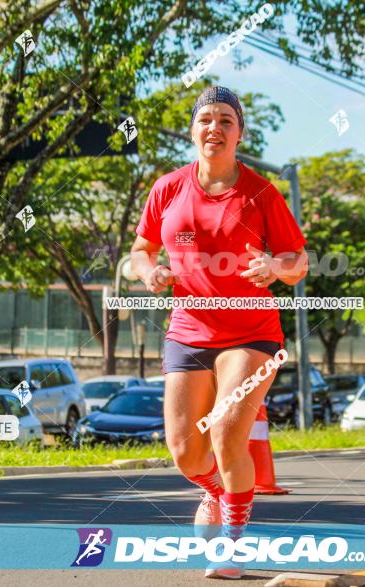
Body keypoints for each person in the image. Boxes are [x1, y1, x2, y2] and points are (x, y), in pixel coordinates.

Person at [130, 85, 308, 579]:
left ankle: (232, 543)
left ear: (239, 132)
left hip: (251, 330)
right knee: (185, 452)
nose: (215, 127)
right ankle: (213, 491)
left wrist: (275, 266)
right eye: (206, 119)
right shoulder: (167, 188)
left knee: (229, 429)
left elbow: (299, 260)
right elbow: (139, 251)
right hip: (188, 328)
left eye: (226, 120)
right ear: (193, 131)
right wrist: (148, 273)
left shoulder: (261, 191)